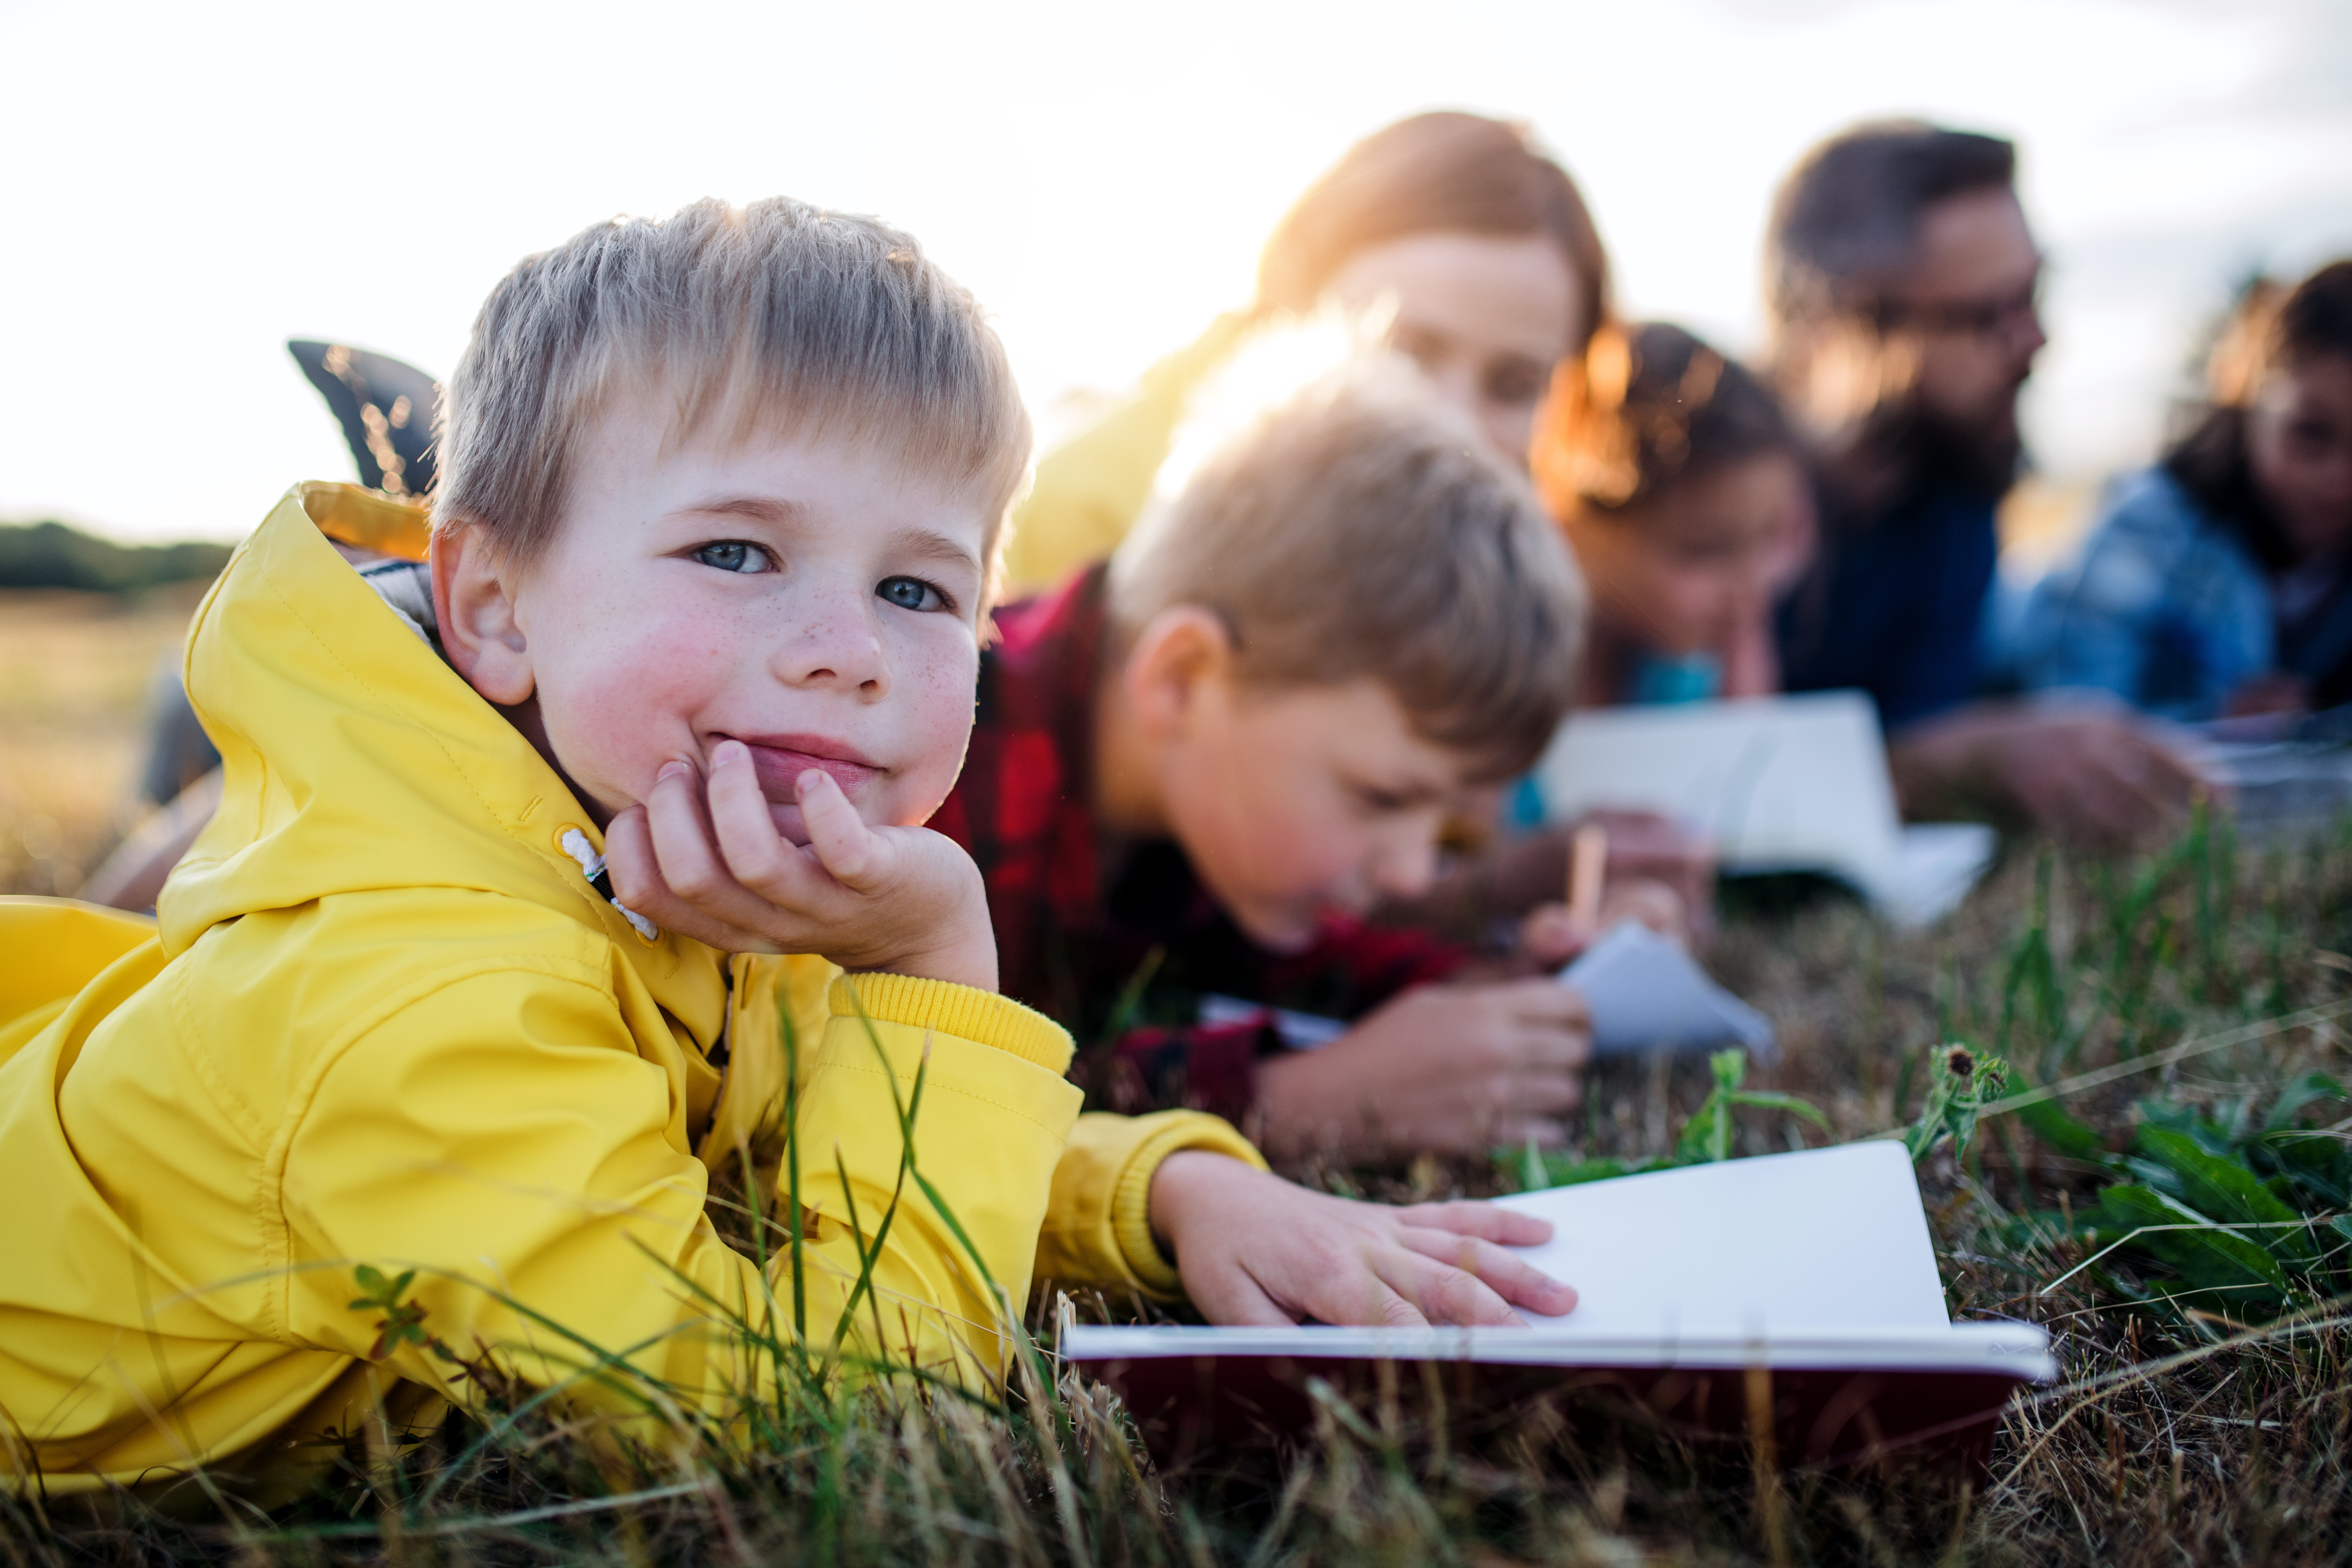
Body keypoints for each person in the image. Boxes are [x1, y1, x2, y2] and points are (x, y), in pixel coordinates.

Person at [0, 200, 1576, 1507]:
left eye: (919, 590)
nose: (848, 652)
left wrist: (1167, 1195)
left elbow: (799, 1126)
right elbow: (826, 1419)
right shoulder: (421, 995)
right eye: (736, 550)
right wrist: (934, 959)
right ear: (489, 603)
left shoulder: (653, 841)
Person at [933, 355, 1687, 1165]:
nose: (1409, 872)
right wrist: (1299, 1101)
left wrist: (1507, 989)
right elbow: (927, 1105)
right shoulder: (931, 764)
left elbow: (1318, 968)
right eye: (1381, 798)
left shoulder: (1212, 803)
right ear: (1183, 679)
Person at [1764, 120, 2206, 844]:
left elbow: (1918, 723)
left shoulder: (1953, 494)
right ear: (1847, 327)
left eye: (2033, 295)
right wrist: (1975, 756)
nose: (2035, 340)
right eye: (1988, 314)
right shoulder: (1713, 498)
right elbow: (1706, 775)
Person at [999, 109, 1612, 595]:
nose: (1453, 422)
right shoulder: (1088, 512)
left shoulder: (1525, 573)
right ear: (1296, 290)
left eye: (1513, 386)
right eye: (1405, 352)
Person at [2008, 262, 2352, 719]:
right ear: (2247, 401)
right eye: (2311, 435)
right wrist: (2213, 726)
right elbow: (2065, 710)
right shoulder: (2145, 530)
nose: (2340, 476)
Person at [1531, 321, 1815, 708]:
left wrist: (1743, 652)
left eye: (1770, 535)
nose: (1749, 588)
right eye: (1704, 552)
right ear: (1574, 526)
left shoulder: (1690, 658)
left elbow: (1748, 740)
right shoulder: (1514, 661)